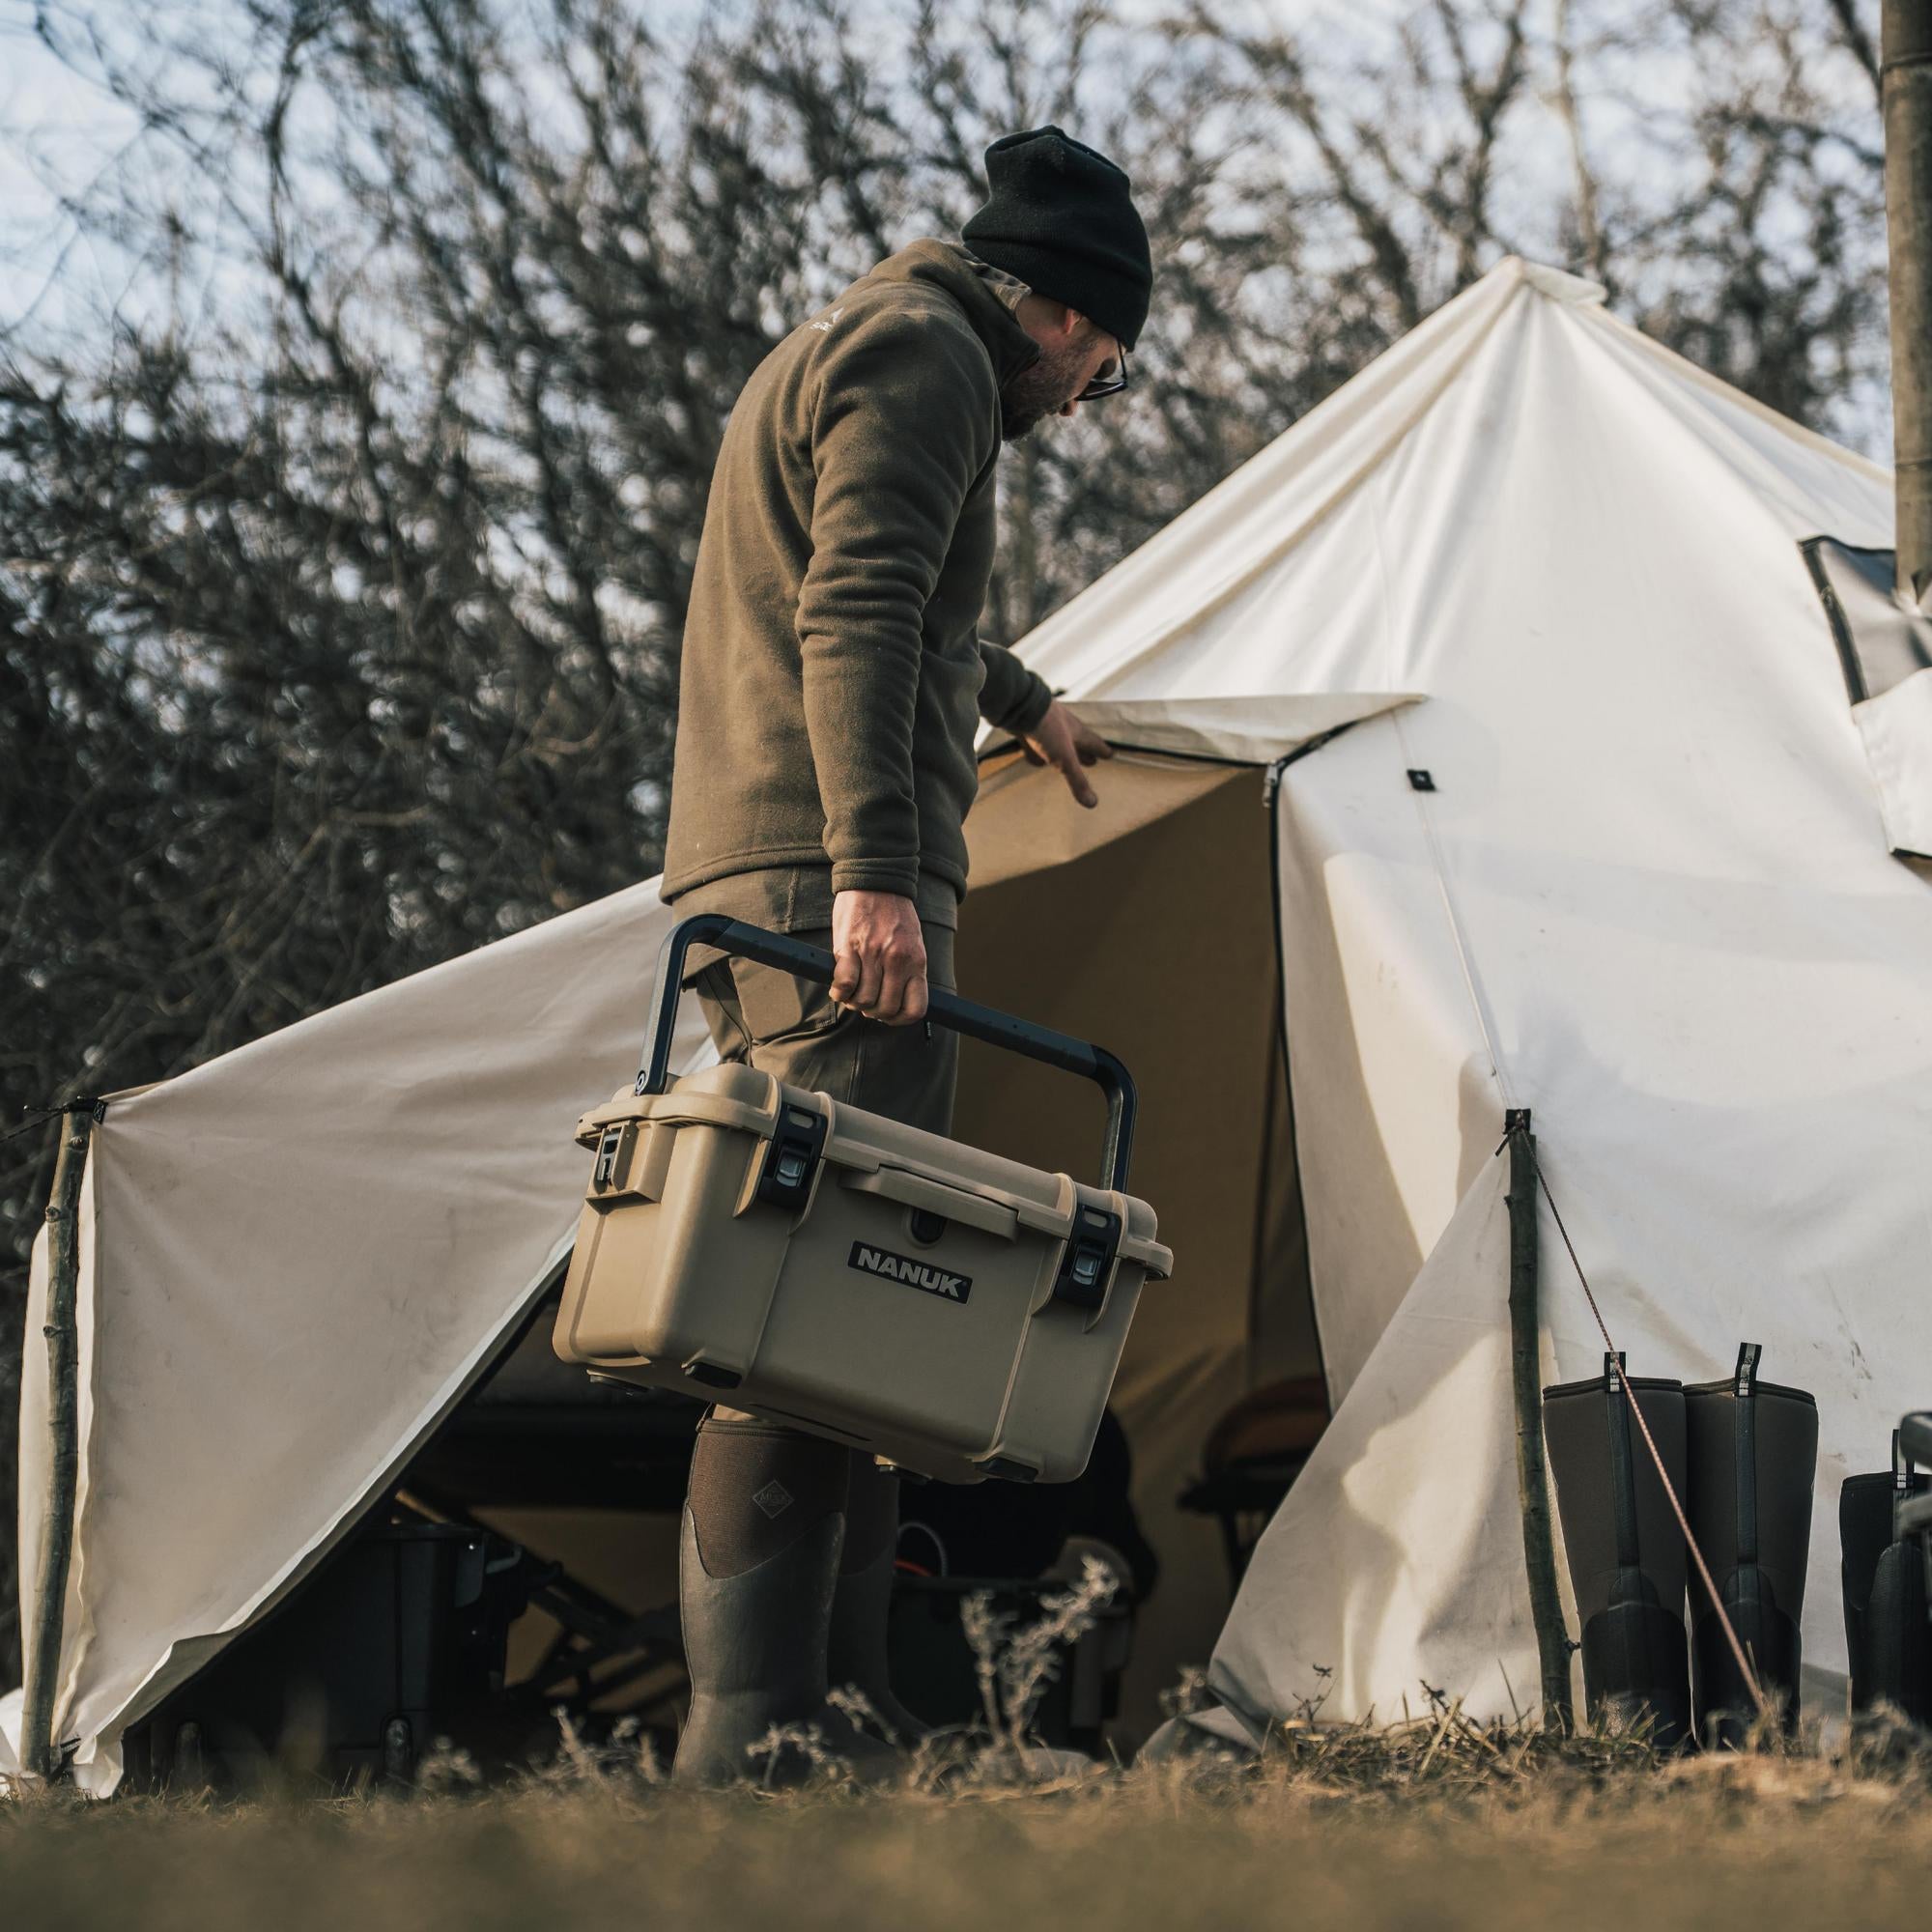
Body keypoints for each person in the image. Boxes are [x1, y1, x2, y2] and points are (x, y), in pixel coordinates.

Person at [657, 125, 1154, 1784]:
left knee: (830, 1303)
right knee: (808, 1310)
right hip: (828, 878)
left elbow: (903, 599)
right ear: (1069, 321)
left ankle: (835, 1724)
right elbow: (857, 612)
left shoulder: (860, 338)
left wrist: (1025, 701)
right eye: (1105, 368)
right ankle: (762, 1747)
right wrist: (879, 876)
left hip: (781, 862)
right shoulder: (934, 356)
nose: (1084, 403)